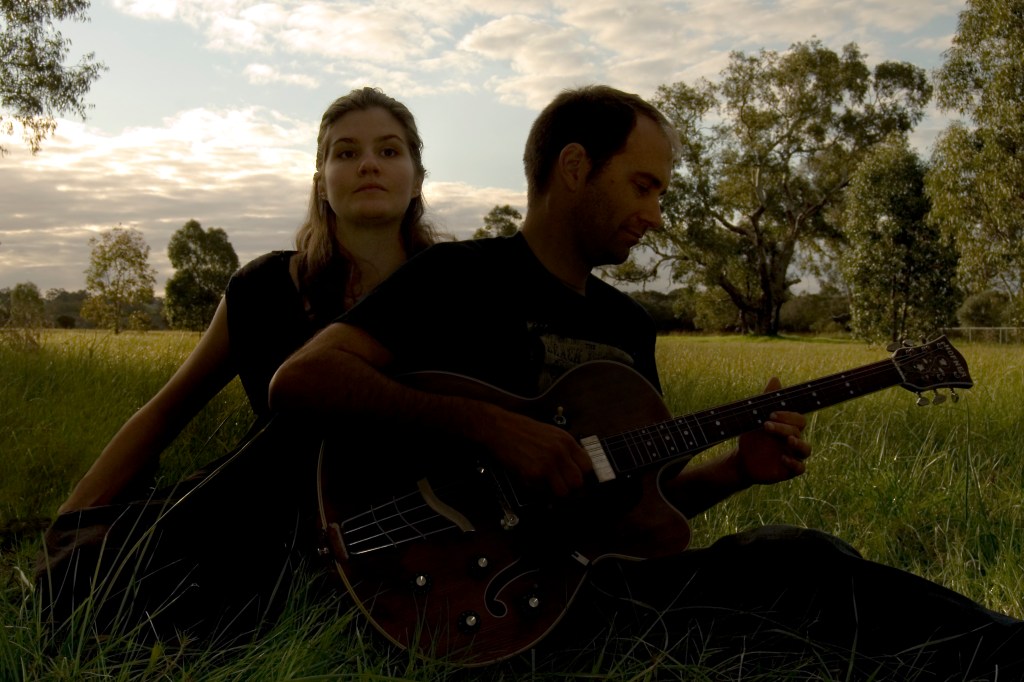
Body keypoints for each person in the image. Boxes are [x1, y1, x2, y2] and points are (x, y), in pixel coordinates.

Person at [269, 85, 1024, 678]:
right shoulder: (457, 275)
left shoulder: (628, 326)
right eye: (642, 186)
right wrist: (489, 425)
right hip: (437, 588)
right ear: (574, 168)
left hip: (580, 596)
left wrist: (736, 470)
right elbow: (303, 379)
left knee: (802, 563)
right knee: (796, 571)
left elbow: (630, 517)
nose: (655, 215)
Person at [36, 86, 438, 641]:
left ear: (417, 179)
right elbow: (167, 411)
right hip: (259, 517)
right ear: (321, 182)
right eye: (346, 153)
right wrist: (71, 519)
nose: (368, 163)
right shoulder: (262, 288)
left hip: (416, 531)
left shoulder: (456, 289)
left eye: (389, 151)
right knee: (76, 581)